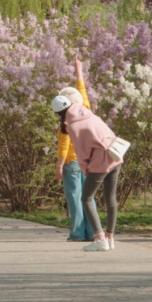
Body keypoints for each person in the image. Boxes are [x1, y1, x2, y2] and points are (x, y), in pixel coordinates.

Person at [52, 83, 122, 252]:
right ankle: (110, 238)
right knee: (110, 199)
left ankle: (99, 239)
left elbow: (81, 152)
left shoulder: (73, 126)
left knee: (86, 198)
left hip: (100, 160)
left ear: (57, 113)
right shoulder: (88, 113)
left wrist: (86, 169)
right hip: (115, 154)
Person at [56, 77, 95, 242]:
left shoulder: (65, 123)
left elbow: (64, 146)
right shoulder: (86, 111)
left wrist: (59, 166)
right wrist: (79, 74)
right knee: (88, 197)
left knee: (74, 197)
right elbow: (83, 94)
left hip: (71, 163)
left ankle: (78, 233)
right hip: (87, 161)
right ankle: (93, 231)